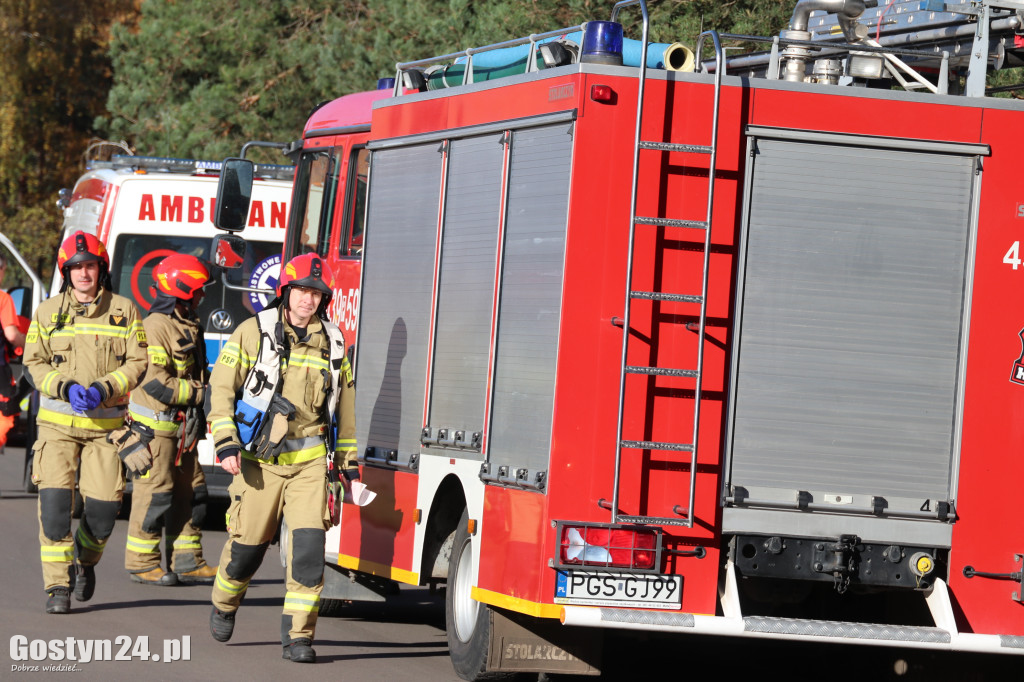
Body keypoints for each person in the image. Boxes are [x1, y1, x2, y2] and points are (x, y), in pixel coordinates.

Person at [207, 253, 357, 663]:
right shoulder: (252, 333)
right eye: (302, 292)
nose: (309, 300)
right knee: (247, 550)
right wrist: (226, 442)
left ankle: (299, 637)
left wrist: (348, 463)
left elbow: (345, 408)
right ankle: (224, 601)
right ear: (286, 292)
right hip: (259, 462)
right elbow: (220, 389)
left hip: (309, 465)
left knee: (309, 551)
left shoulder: (335, 343)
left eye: (317, 294)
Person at [24, 231, 147, 614]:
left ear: (101, 269)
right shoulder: (47, 312)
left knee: (103, 513)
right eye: (76, 267)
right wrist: (63, 387)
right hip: (57, 429)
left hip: (105, 432)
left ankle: (85, 561)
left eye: (89, 266)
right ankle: (57, 587)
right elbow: (33, 363)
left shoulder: (124, 311)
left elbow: (138, 362)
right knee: (55, 508)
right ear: (67, 272)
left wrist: (104, 388)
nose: (83, 273)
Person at [124, 254, 217, 585]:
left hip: (183, 431)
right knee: (155, 493)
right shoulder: (155, 327)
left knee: (193, 492)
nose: (202, 296)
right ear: (181, 292)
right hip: (157, 431)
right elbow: (154, 381)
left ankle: (187, 560)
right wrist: (201, 393)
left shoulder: (188, 323)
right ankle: (141, 562)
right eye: (197, 291)